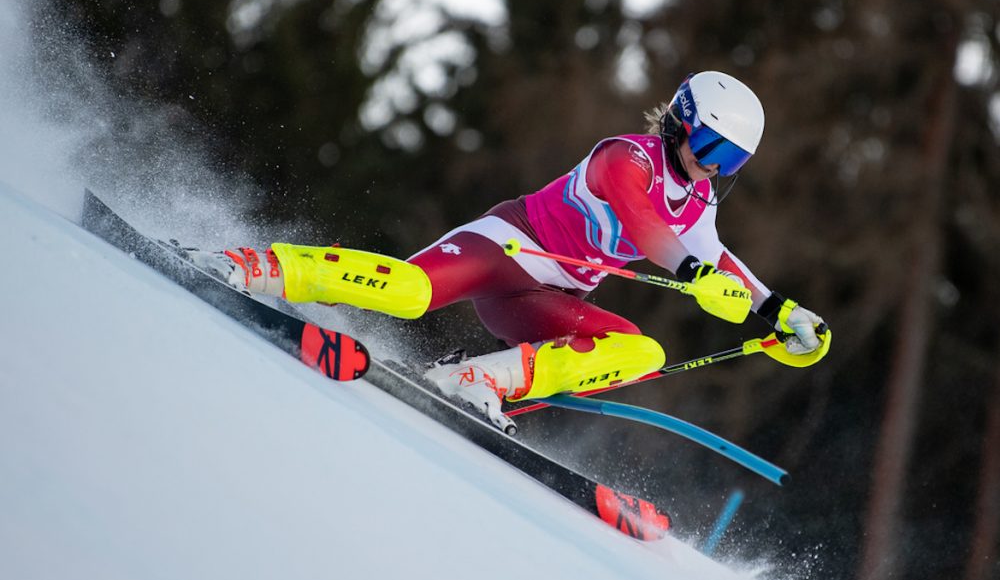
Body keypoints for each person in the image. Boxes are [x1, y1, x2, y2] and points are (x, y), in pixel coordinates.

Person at [197, 71, 830, 432]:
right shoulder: (626, 156)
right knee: (410, 292)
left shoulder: (699, 202)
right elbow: (642, 224)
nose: (714, 169)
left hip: (544, 299)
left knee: (641, 350)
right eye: (712, 149)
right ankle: (262, 267)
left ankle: (477, 379)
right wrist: (690, 270)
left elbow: (718, 257)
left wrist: (778, 312)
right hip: (505, 248)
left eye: (732, 161)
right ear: (682, 124)